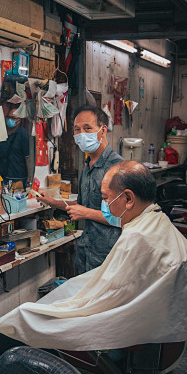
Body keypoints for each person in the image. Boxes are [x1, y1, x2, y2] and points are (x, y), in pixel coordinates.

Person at [0, 161, 187, 374]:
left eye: (106, 198)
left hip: (116, 338)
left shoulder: (138, 238)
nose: (104, 205)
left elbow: (103, 302)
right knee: (43, 307)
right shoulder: (156, 222)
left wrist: (64, 310)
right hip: (147, 333)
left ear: (128, 198)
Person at [38, 105, 123, 273]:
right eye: (77, 129)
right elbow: (84, 204)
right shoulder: (88, 167)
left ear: (103, 130)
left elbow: (122, 217)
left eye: (87, 128)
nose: (81, 134)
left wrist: (85, 213)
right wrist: (53, 202)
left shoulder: (117, 167)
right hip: (86, 249)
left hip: (108, 253)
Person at [0, 96, 31, 188]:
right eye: (9, 117)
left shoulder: (23, 134)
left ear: (19, 121)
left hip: (18, 178)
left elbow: (28, 158)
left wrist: (29, 177)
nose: (10, 120)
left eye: (13, 118)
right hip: (3, 176)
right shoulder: (1, 132)